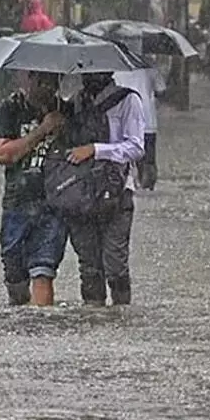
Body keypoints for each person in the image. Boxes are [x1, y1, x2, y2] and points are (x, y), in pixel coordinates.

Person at [58, 72, 146, 306]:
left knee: (115, 265)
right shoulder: (75, 103)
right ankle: (93, 316)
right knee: (89, 267)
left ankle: (121, 314)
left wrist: (96, 150)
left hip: (117, 192)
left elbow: (136, 147)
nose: (89, 75)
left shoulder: (128, 100)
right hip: (81, 192)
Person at [0, 72, 68, 306]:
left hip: (53, 203)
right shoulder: (11, 108)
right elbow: (4, 155)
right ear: (29, 79)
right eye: (42, 82)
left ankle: (42, 323)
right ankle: (22, 316)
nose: (48, 88)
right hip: (17, 201)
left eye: (53, 83)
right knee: (14, 274)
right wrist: (43, 129)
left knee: (43, 270)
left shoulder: (65, 111)